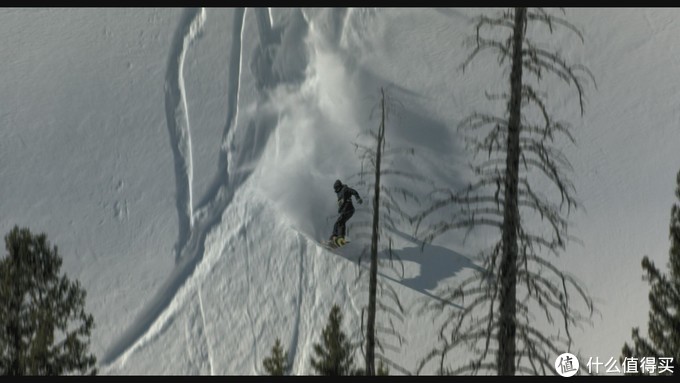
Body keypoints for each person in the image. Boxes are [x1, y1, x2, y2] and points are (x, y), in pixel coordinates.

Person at [330, 179, 362, 246]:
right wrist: (340, 209)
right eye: (335, 189)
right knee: (337, 223)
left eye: (336, 188)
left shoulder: (345, 189)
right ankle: (334, 236)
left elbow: (354, 191)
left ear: (339, 186)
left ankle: (341, 236)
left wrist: (358, 198)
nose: (336, 190)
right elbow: (341, 203)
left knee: (341, 222)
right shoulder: (338, 194)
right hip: (344, 210)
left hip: (349, 209)